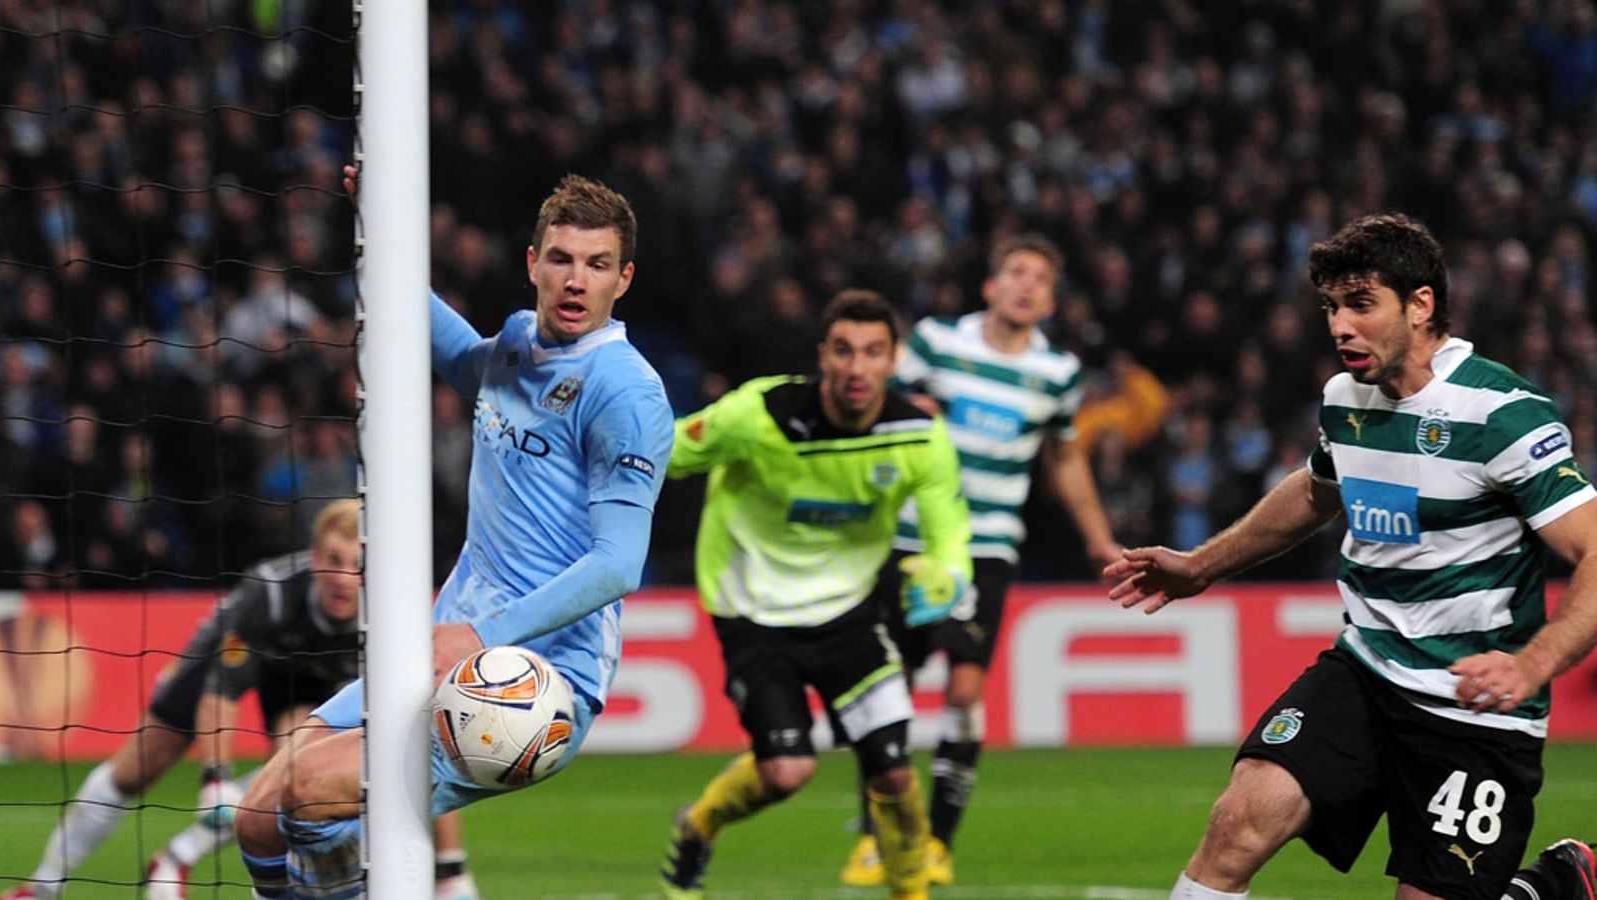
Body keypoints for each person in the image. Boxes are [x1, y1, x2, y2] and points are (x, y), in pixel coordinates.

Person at [1104, 212, 1597, 900]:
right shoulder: (1345, 399)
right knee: (1238, 822)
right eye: (1332, 307)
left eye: (1361, 304)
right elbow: (1317, 491)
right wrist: (1201, 565)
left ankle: (1553, 885)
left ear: (1420, 304)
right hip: (1365, 673)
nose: (1340, 326)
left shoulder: (1501, 414)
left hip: (1474, 709)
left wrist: (1533, 663)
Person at [233, 173, 674, 898]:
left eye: (597, 265)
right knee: (256, 819)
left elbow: (619, 564)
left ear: (622, 279)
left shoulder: (625, 392)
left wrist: (481, 634)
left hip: (534, 683)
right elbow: (460, 359)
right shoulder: (520, 342)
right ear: (532, 263)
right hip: (444, 646)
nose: (576, 280)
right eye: (561, 258)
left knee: (310, 791)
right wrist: (379, 231)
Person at [0, 501, 489, 899]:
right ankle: (41, 887)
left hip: (309, 683)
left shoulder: (387, 615)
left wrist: (452, 872)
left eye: (357, 565)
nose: (343, 577)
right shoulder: (269, 594)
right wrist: (216, 779)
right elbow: (223, 691)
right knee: (135, 770)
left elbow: (416, 730)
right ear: (314, 557)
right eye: (333, 560)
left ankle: (177, 858)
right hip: (222, 661)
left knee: (313, 766)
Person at [657, 289, 973, 900]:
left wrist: (948, 574)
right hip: (752, 609)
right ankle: (698, 825)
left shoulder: (919, 436)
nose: (858, 368)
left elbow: (949, 533)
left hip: (850, 612)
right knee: (787, 770)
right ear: (822, 355)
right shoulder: (759, 414)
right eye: (844, 351)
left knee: (895, 775)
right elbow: (666, 453)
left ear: (894, 361)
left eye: (873, 353)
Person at [838, 233, 1120, 887]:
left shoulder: (1057, 374)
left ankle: (936, 841)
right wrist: (901, 409)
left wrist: (1098, 537)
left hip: (985, 546)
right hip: (908, 537)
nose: (1026, 285)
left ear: (1050, 303)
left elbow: (1065, 457)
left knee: (965, 692)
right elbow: (869, 401)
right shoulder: (937, 342)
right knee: (888, 686)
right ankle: (879, 836)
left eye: (1040, 279)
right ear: (991, 286)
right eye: (1016, 272)